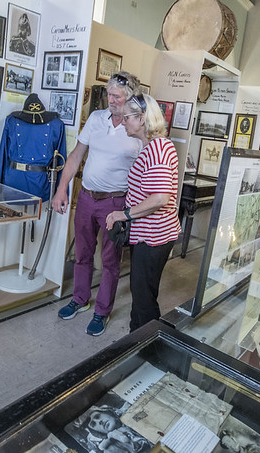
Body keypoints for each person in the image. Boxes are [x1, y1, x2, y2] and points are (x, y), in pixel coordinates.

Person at [53, 71, 142, 336]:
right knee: (82, 254)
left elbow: (144, 169)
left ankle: (102, 311)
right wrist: (61, 189)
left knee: (110, 261)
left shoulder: (137, 126)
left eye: (117, 95)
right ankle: (80, 299)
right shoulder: (95, 118)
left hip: (116, 202)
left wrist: (131, 211)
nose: (111, 99)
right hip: (87, 197)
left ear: (131, 97)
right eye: (109, 94)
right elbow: (76, 154)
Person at [105, 94, 181, 331]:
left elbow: (160, 198)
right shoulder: (155, 146)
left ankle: (153, 349)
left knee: (144, 298)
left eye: (126, 117)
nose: (123, 120)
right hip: (152, 235)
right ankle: (134, 342)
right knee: (142, 294)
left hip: (153, 237)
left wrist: (123, 214)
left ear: (142, 118)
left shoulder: (157, 149)